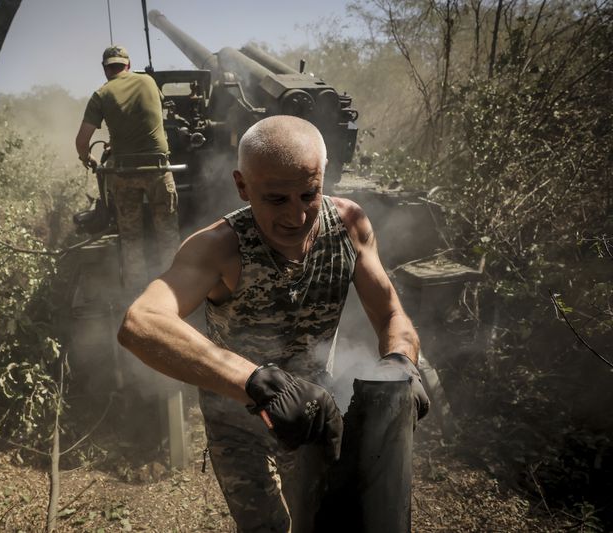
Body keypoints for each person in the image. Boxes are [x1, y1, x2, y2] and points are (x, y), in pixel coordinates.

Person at [117, 115, 429, 532]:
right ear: (243, 187)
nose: (296, 217)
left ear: (323, 178)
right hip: (239, 423)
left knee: (326, 522)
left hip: (314, 415)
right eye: (277, 199)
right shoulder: (220, 247)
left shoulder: (350, 226)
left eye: (308, 194)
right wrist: (258, 383)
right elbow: (141, 323)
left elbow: (391, 313)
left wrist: (401, 361)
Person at [75, 45, 180, 292]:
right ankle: (174, 290)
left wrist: (87, 159)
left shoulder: (101, 94)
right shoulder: (149, 82)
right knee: (167, 234)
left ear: (105, 69)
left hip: (124, 174)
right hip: (158, 170)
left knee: (132, 238)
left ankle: (137, 294)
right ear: (128, 65)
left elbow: (81, 141)